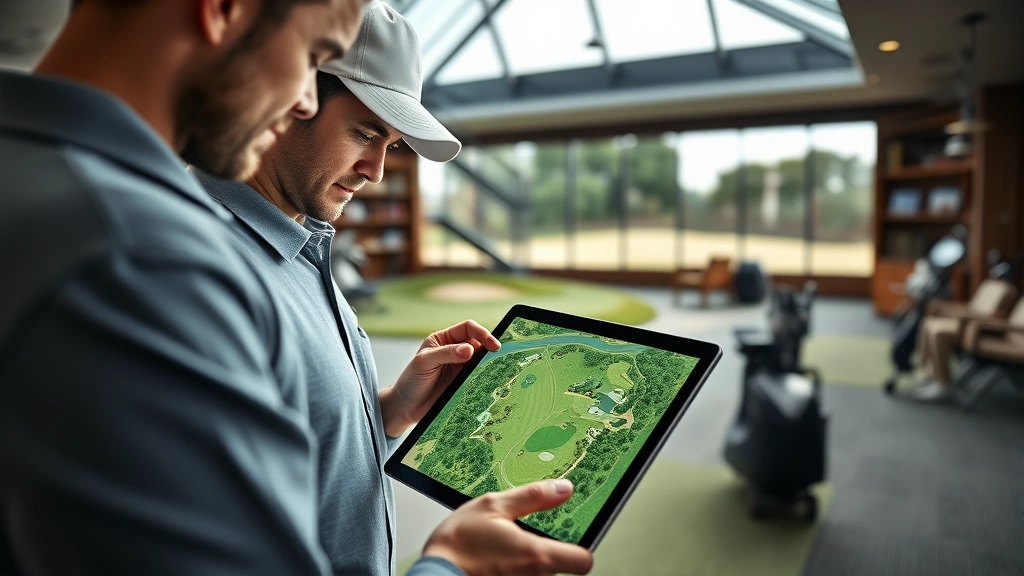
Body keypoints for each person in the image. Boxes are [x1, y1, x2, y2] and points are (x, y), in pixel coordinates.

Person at [192, 3, 594, 576]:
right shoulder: (199, 270)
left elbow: (299, 456)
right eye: (364, 133)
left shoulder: (303, 242)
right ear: (291, 97)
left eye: (393, 144)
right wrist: (448, 565)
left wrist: (390, 411)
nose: (377, 170)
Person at [0, 0, 368, 573]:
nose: (305, 101)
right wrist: (449, 563)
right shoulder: (143, 254)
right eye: (311, 54)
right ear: (223, 9)